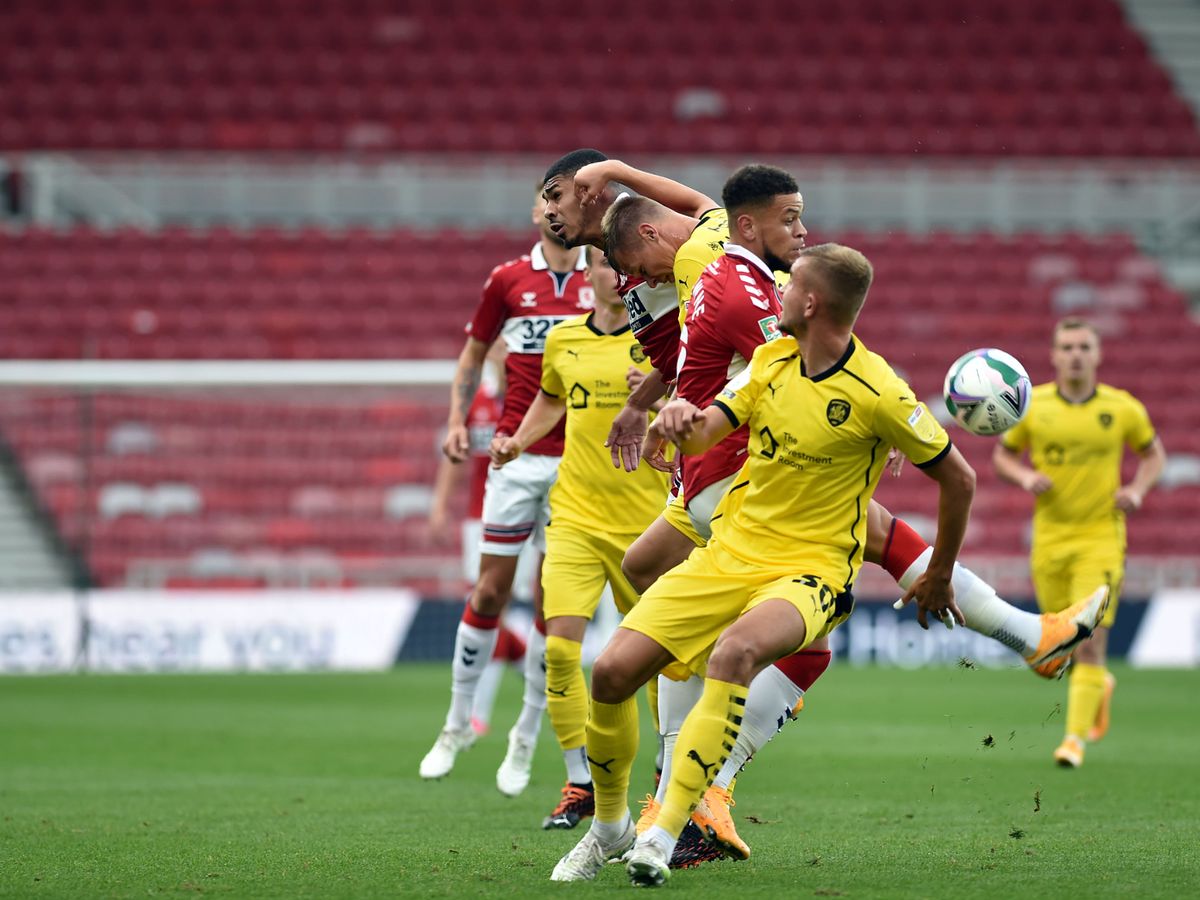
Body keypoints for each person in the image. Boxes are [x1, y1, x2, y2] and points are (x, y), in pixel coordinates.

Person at [419, 188, 592, 796]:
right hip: (517, 461)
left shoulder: (612, 280)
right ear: (534, 214)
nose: (553, 211)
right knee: (490, 589)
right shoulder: (508, 281)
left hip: (582, 467)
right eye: (544, 201)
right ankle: (456, 723)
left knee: (555, 608)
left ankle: (525, 734)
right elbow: (471, 356)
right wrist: (457, 420)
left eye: (564, 200)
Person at [489, 248, 669, 830]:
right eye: (602, 266)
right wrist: (518, 439)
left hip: (648, 527)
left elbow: (702, 398)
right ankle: (580, 782)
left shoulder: (660, 338)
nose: (614, 276)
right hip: (574, 519)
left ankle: (668, 782)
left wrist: (661, 396)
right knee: (559, 650)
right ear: (587, 275)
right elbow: (549, 397)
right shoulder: (564, 338)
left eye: (623, 267)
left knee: (660, 664)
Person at [993, 317, 1165, 768]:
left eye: (1084, 347)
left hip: (1101, 539)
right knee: (1055, 651)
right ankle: (1098, 686)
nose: (1075, 355)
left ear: (1097, 354)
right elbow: (1003, 456)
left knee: (1090, 641)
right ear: (1053, 355)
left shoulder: (1122, 408)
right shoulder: (1033, 406)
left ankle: (1073, 742)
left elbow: (1153, 455)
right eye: (1067, 347)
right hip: (1049, 542)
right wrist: (1026, 475)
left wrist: (1138, 490)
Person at [427, 351, 531, 737]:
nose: (503, 350)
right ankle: (491, 708)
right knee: (489, 606)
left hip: (523, 518)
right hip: (480, 520)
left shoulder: (534, 394)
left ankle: (478, 712)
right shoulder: (477, 401)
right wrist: (439, 506)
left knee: (494, 609)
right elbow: (455, 457)